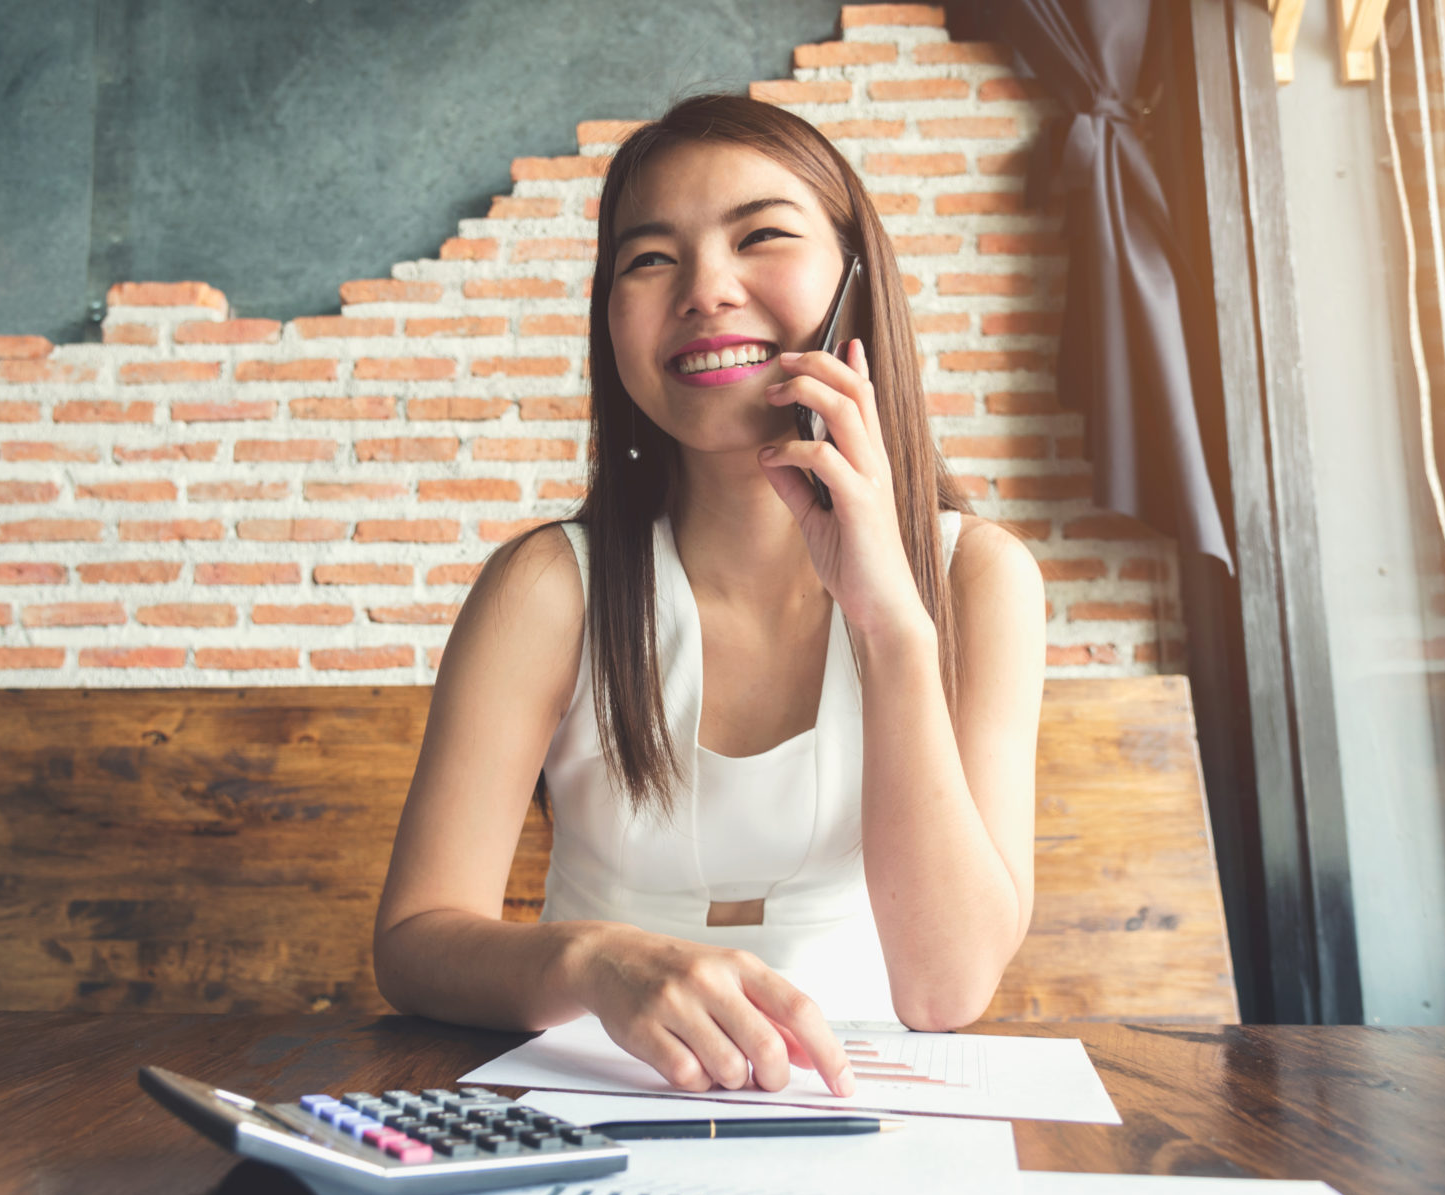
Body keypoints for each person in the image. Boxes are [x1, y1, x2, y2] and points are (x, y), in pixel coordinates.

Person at [373, 93, 1046, 1098]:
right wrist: (594, 960)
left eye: (761, 236)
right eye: (649, 258)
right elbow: (415, 939)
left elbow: (945, 988)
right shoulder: (550, 587)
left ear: (857, 280)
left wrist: (891, 623)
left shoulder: (977, 578)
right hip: (591, 1092)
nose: (705, 289)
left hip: (875, 1100)